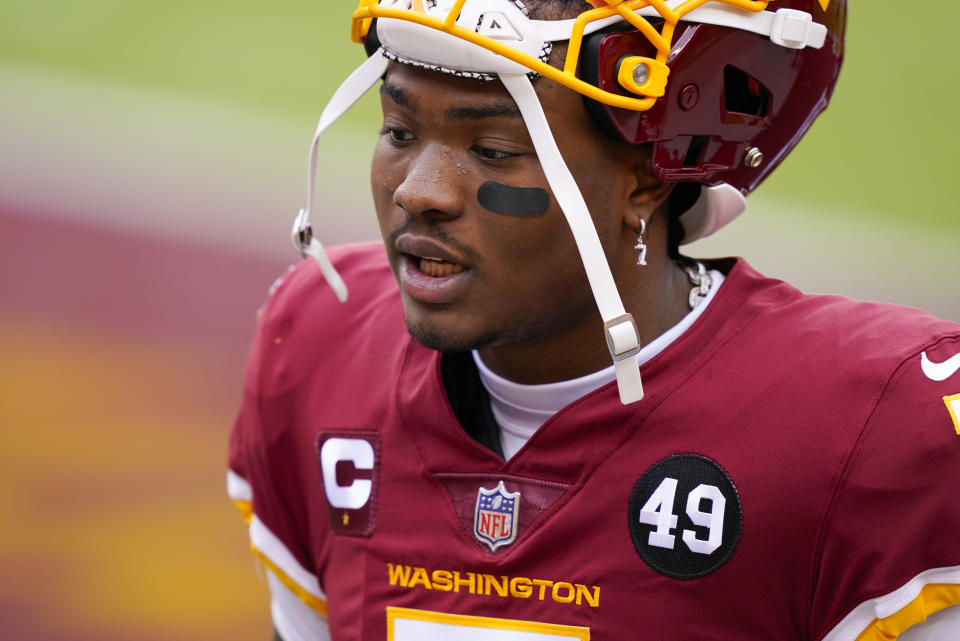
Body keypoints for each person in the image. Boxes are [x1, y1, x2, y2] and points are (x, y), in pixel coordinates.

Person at [227, 1, 960, 639]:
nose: (419, 192)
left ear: (646, 178)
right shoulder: (322, 342)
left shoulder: (867, 426)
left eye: (492, 149)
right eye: (398, 130)